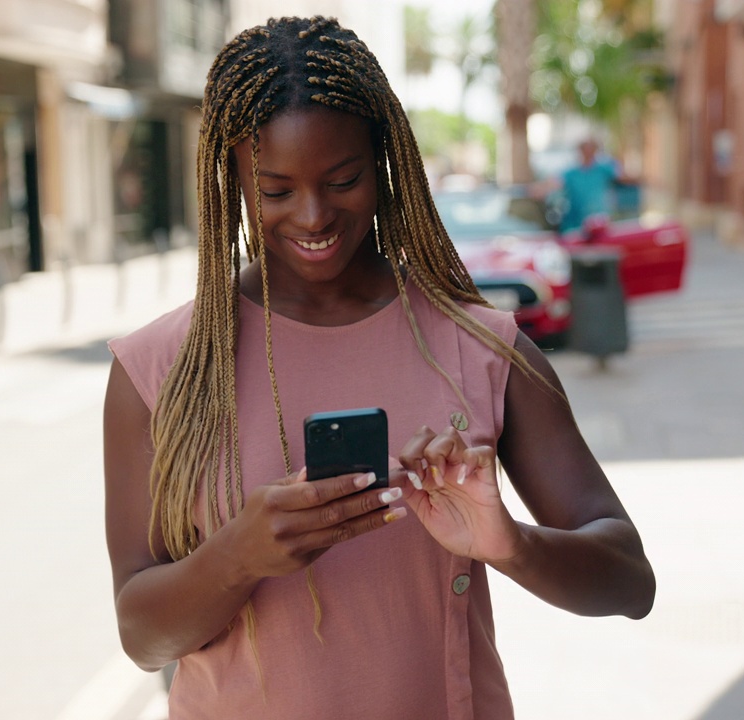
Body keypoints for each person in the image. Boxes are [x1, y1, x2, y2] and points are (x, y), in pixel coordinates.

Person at [102, 17, 654, 719]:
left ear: (384, 162)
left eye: (343, 179)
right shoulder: (158, 370)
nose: (313, 215)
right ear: (231, 181)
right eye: (275, 190)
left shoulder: (482, 350)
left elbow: (631, 583)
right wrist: (237, 556)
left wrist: (509, 544)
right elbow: (143, 638)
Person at [557, 137, 635, 233]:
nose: (588, 152)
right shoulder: (571, 173)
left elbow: (622, 178)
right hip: (576, 220)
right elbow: (556, 183)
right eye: (585, 149)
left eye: (591, 148)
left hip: (600, 218)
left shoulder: (603, 168)